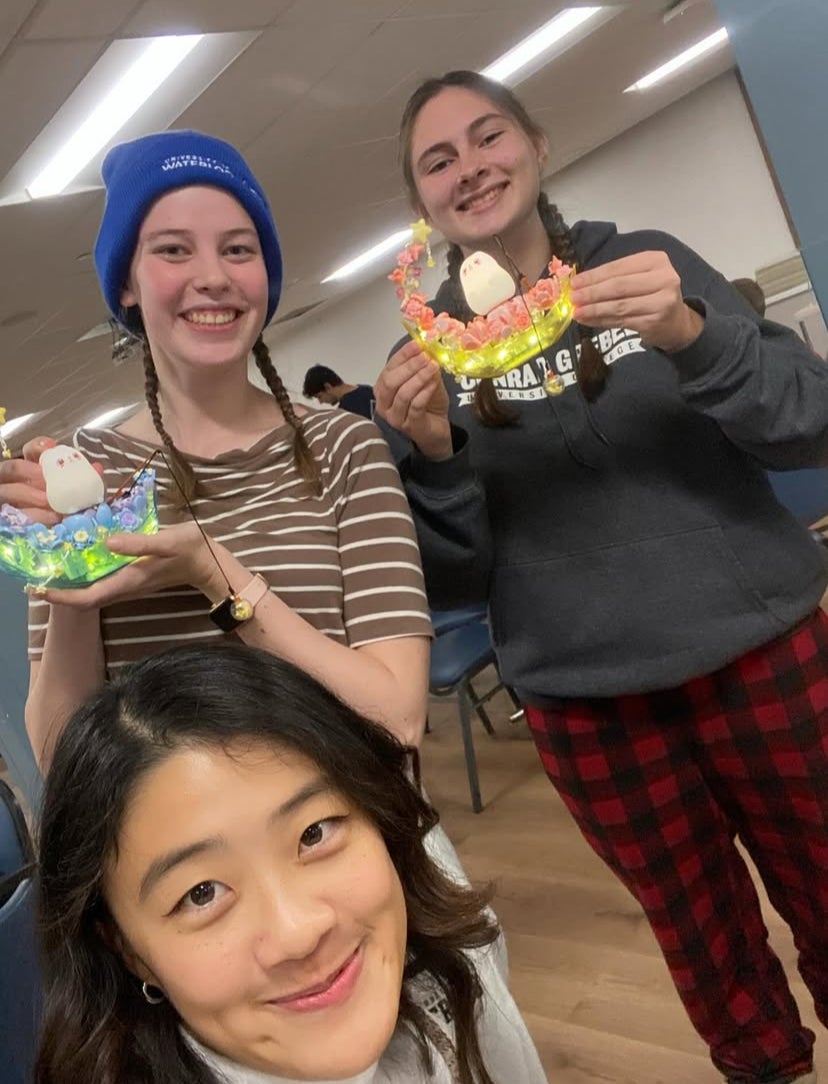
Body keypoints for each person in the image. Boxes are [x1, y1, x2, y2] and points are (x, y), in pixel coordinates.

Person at [374, 70, 828, 1084]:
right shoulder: (425, 361)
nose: (469, 167)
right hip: (589, 703)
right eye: (437, 159)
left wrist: (693, 337)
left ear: (535, 143)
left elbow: (812, 422)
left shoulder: (651, 266)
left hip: (764, 650)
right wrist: (436, 459)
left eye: (487, 137)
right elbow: (452, 578)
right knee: (708, 950)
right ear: (423, 202)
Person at [0, 130, 431, 768]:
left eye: (238, 249)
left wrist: (213, 571)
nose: (212, 277)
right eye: (173, 250)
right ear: (127, 285)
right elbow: (60, 752)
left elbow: (397, 719)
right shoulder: (93, 472)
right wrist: (70, 566)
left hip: (344, 831)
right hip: (173, 856)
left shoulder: (344, 445)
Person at [34, 642, 548, 1084]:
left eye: (313, 833)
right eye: (202, 893)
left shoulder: (454, 974)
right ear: (129, 951)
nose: (299, 932)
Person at [303, 364, 376, 419]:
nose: (321, 402)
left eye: (319, 396)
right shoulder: (369, 390)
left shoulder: (344, 412)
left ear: (327, 387)